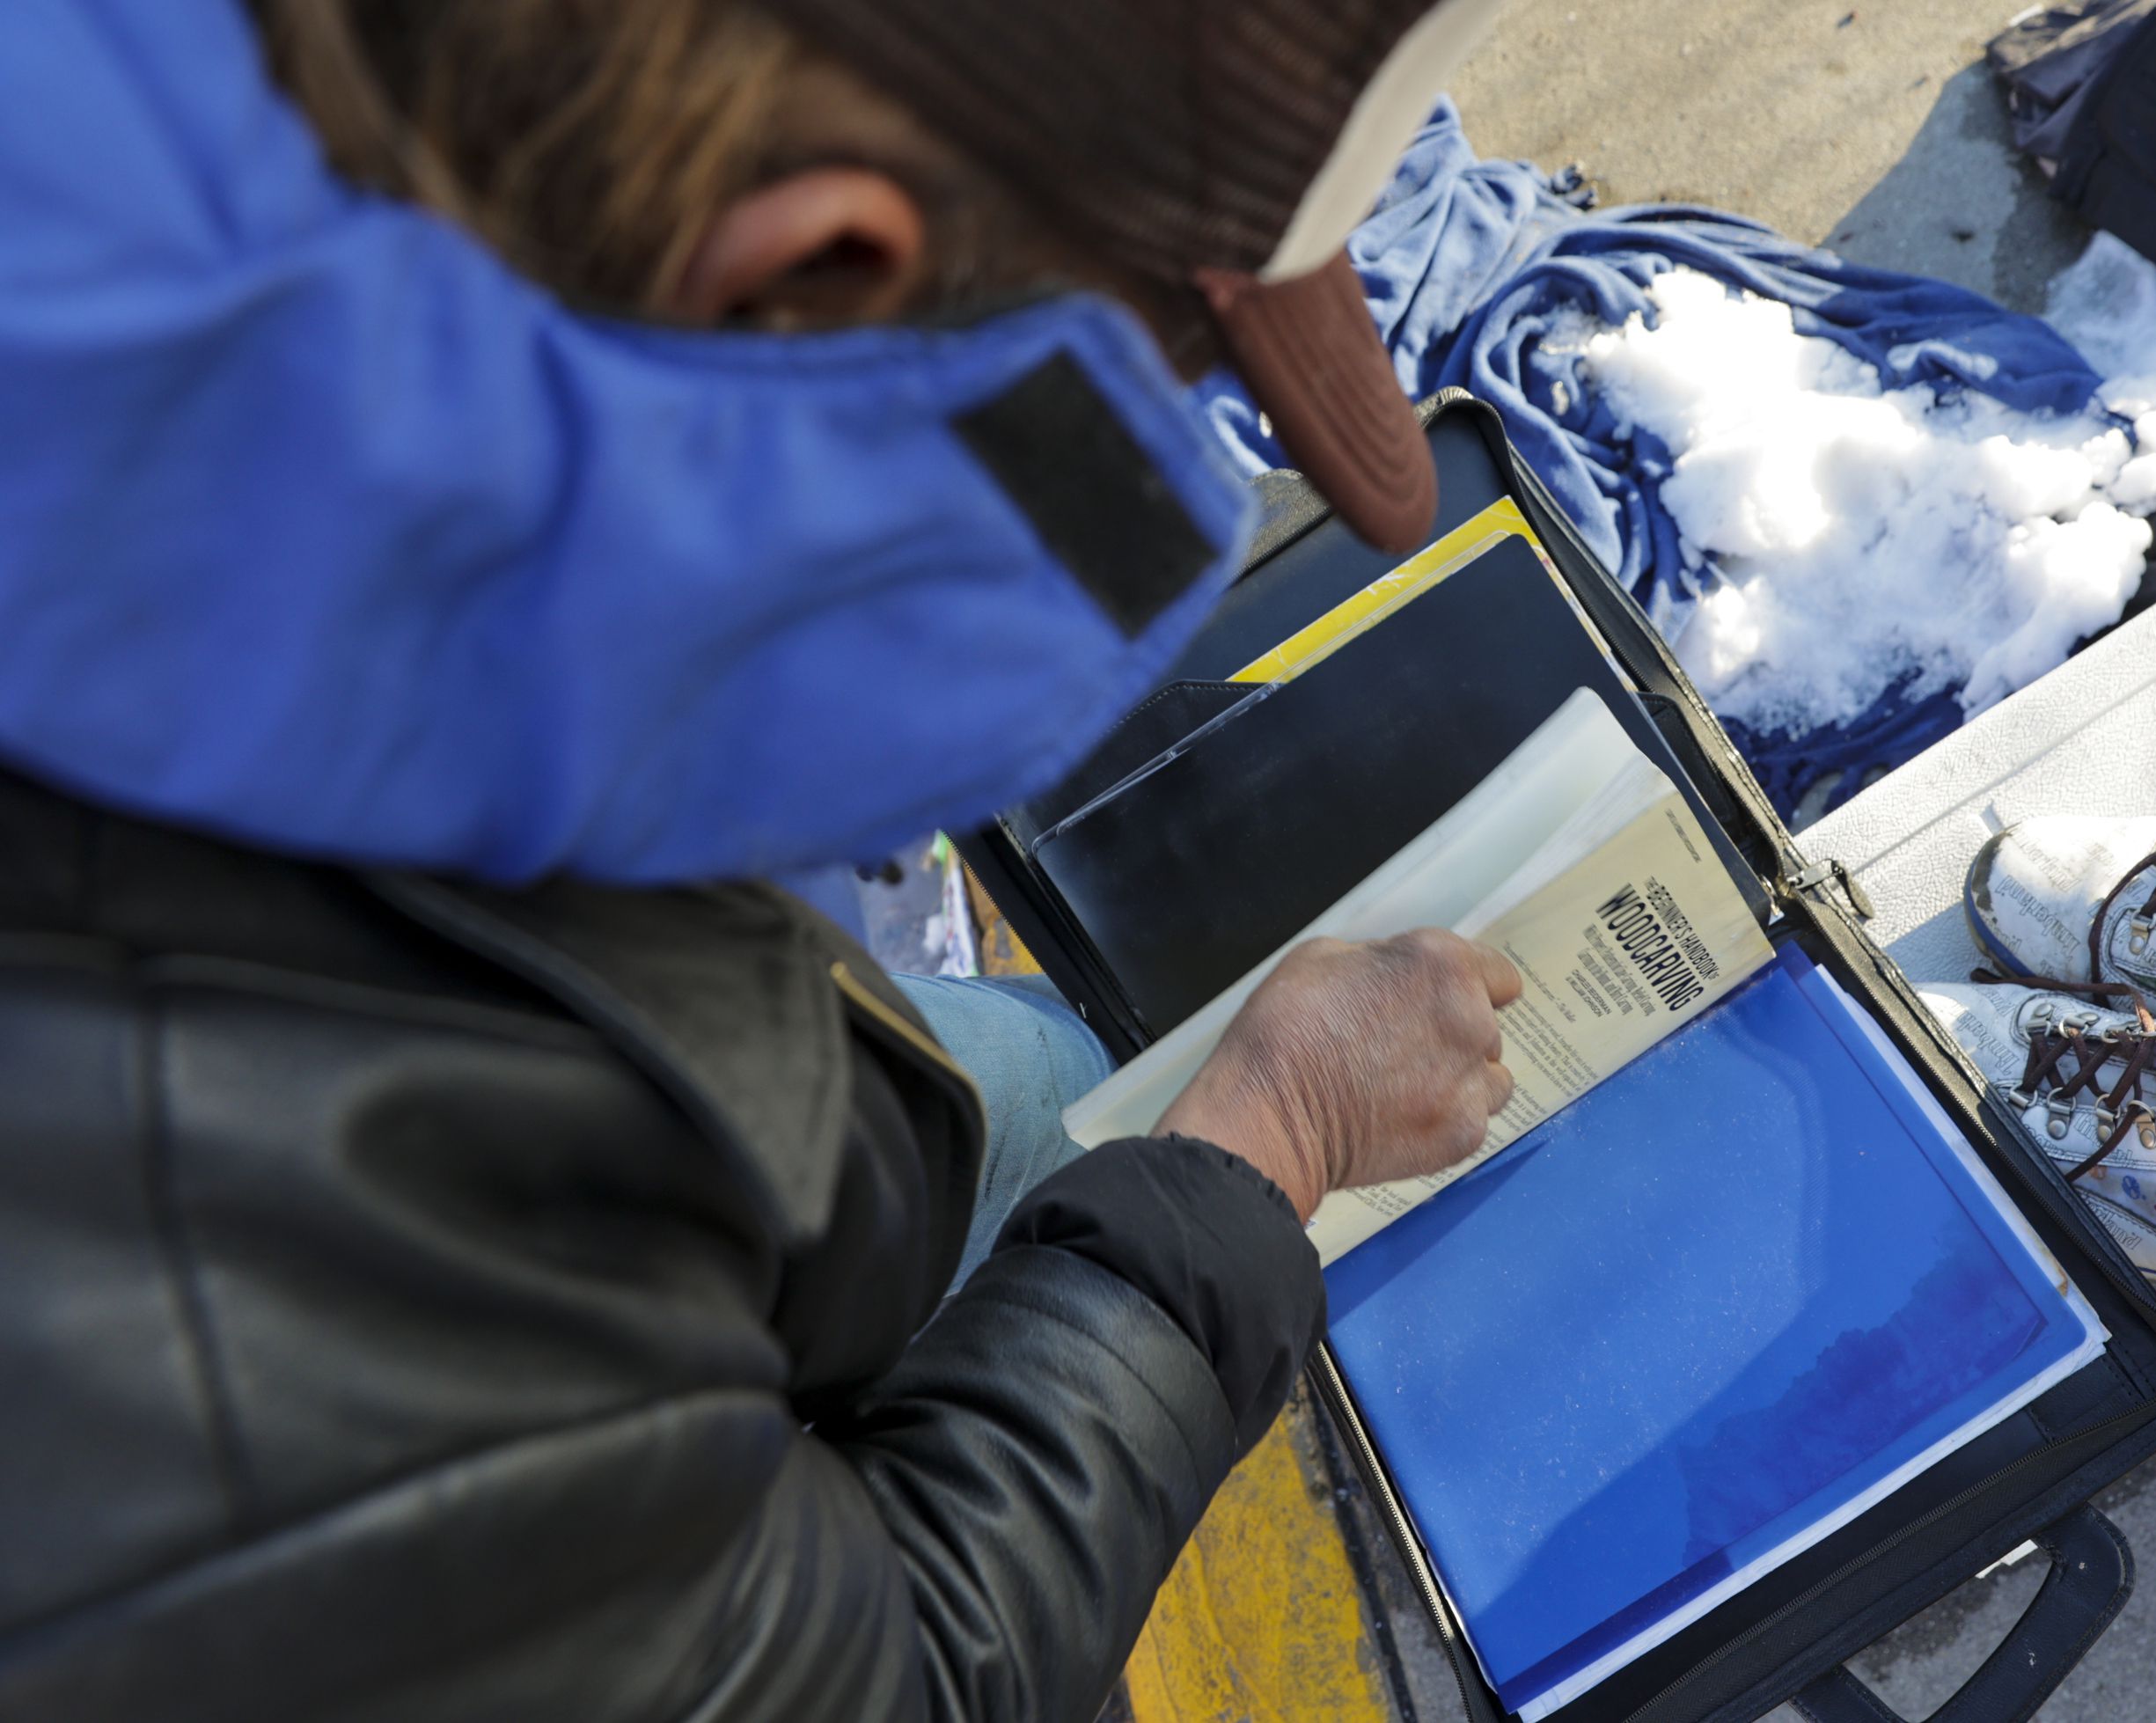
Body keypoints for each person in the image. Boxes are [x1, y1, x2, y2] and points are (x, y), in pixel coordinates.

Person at [0, 3, 1525, 1720]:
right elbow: (893, 1676)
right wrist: (1273, 1133)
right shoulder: (258, 1285)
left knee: (1030, 1073)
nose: (1155, 438)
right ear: (812, 279)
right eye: (1166, 367)